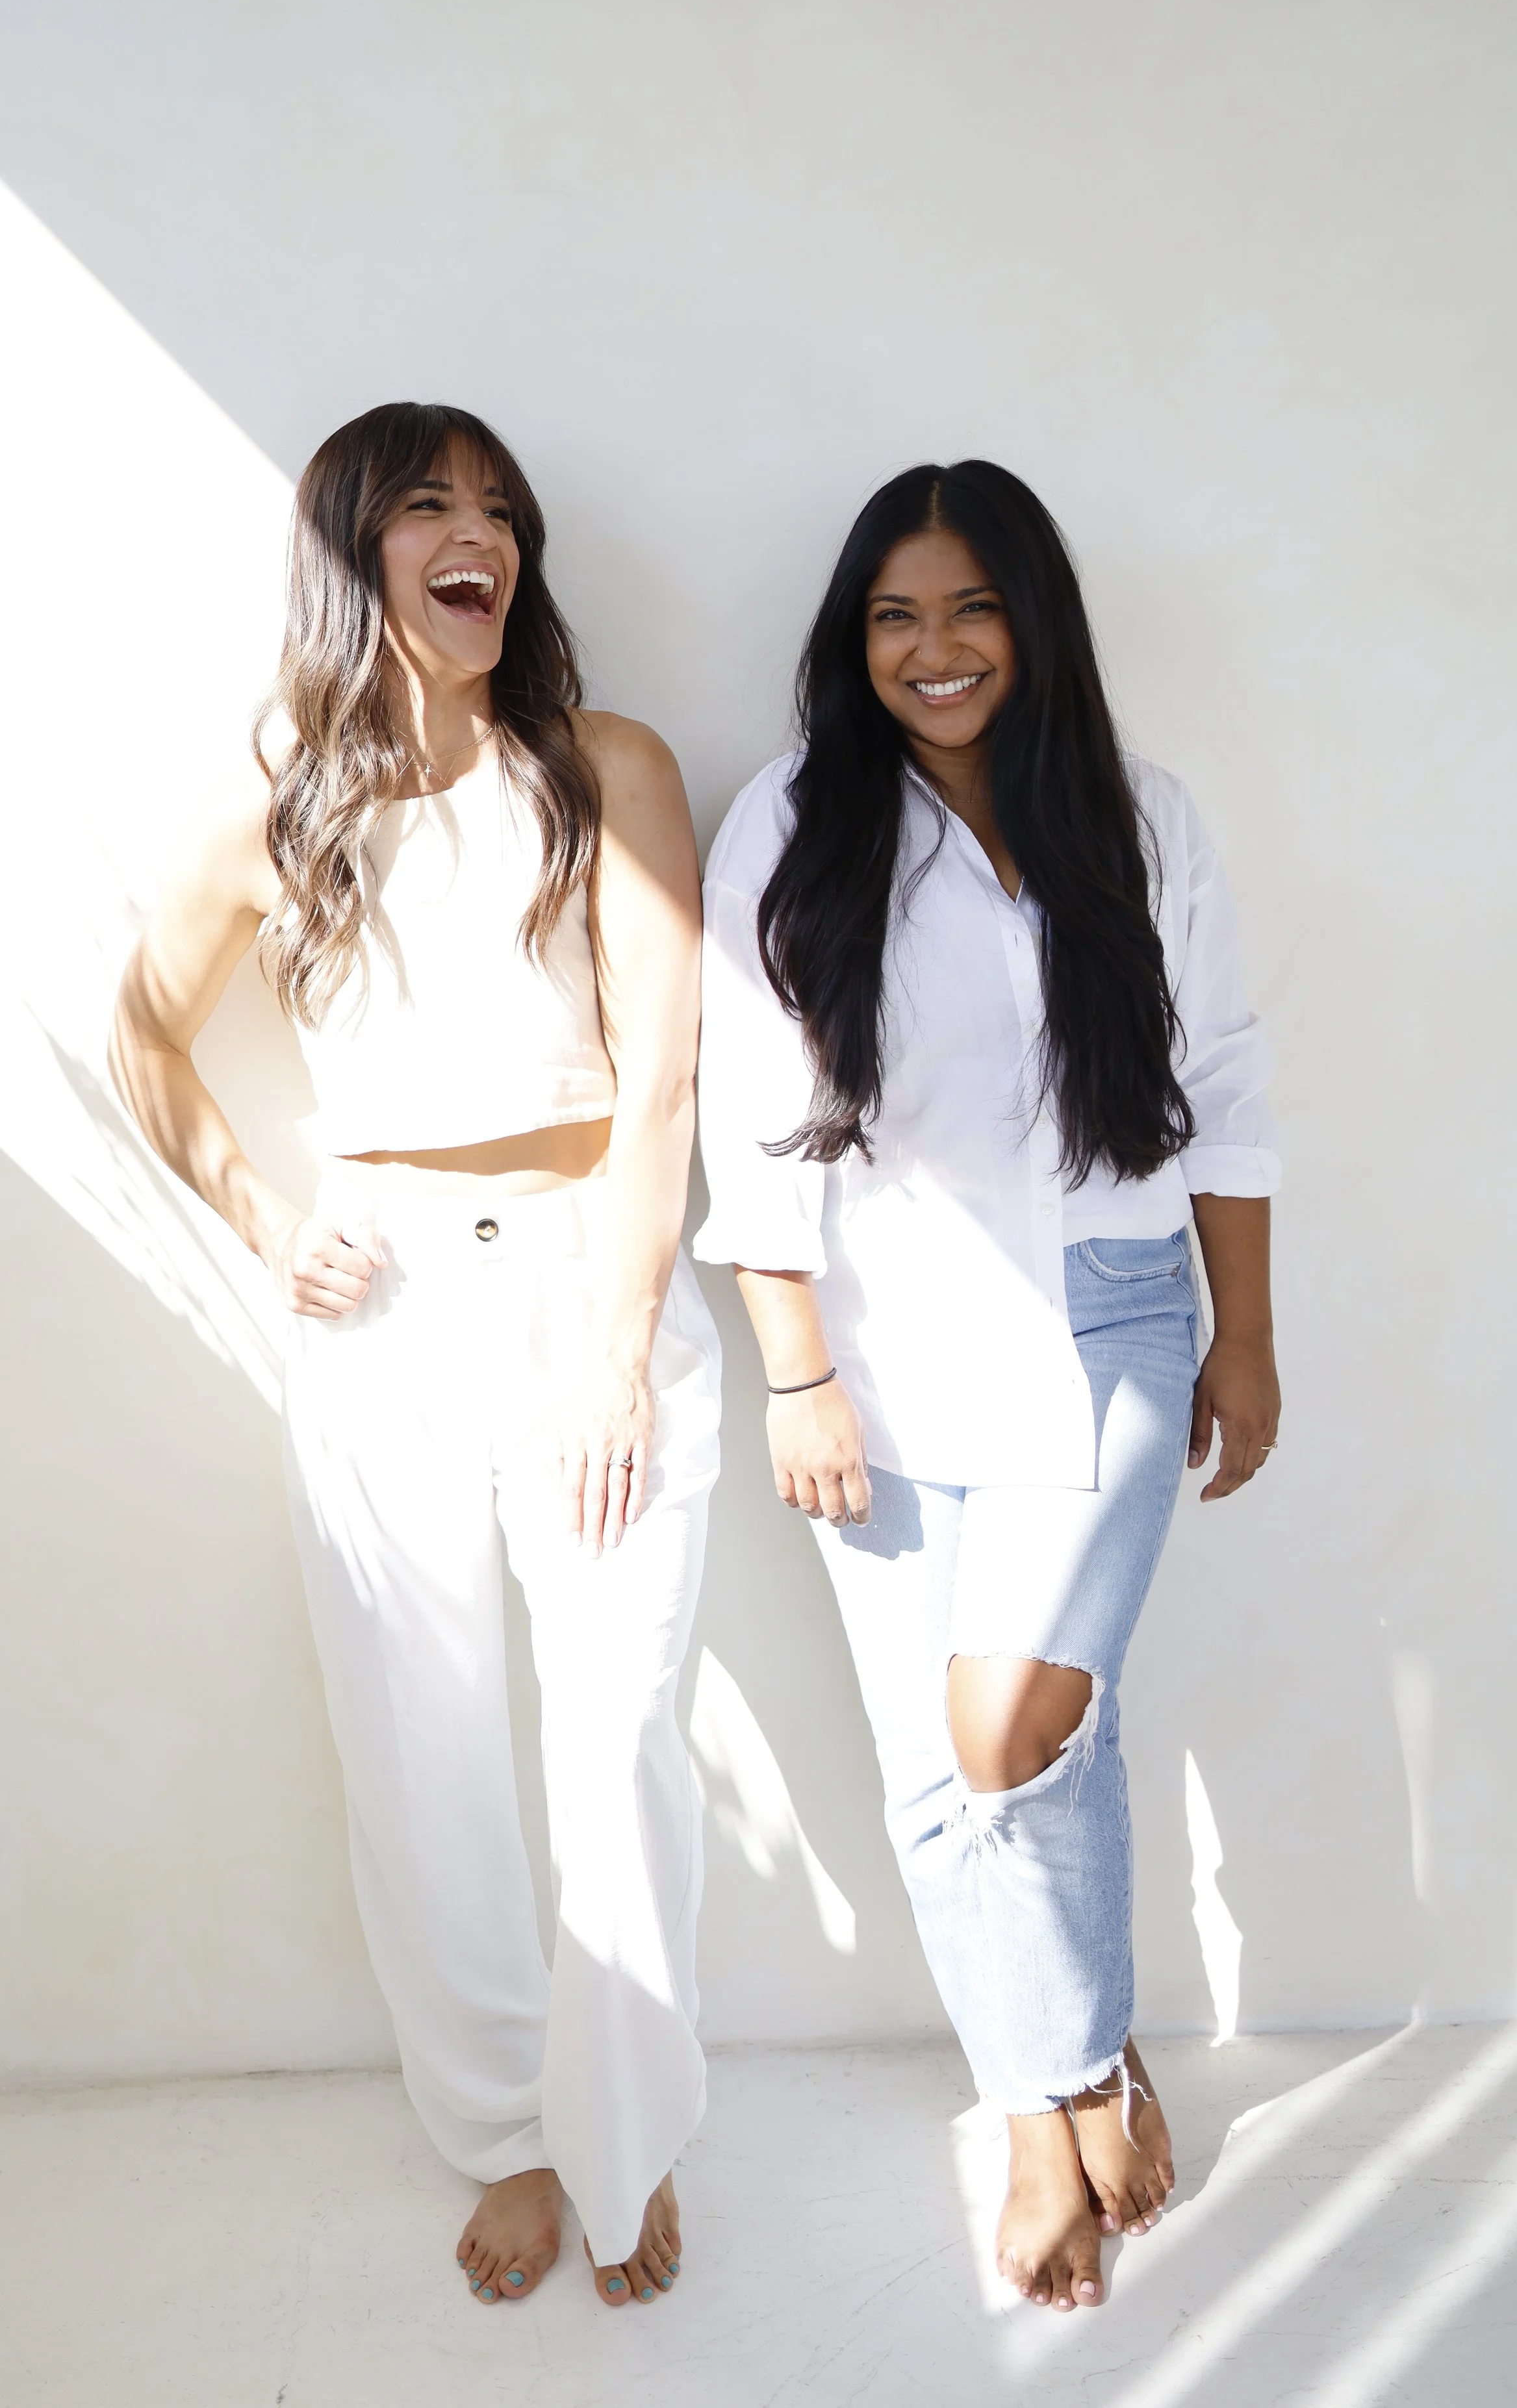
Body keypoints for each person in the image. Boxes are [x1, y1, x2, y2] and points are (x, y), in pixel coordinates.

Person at [111, 402, 721, 2312]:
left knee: (617, 1732)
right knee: (419, 1744)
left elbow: (664, 1078)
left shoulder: (607, 767)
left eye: (501, 511)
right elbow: (143, 1035)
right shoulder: (278, 804)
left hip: (592, 1285)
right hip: (384, 1309)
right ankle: (508, 2133)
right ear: (349, 550)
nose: (483, 539)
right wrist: (266, 1221)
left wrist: (618, 1349)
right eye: (431, 507)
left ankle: (625, 2129)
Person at [695, 459, 1281, 2312]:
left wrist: (1245, 1332)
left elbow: (1224, 1082)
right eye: (895, 615)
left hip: (1114, 1312)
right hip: (878, 1343)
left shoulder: (1138, 815)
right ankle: (1052, 2096)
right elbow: (752, 1115)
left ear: (1032, 621)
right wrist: (796, 1372)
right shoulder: (794, 821)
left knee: (1008, 1724)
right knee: (941, 1773)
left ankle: (1071, 2051)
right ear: (852, 638)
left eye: (970, 608)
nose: (933, 648)